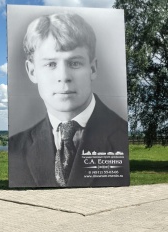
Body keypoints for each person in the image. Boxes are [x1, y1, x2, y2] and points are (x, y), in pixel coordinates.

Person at [9, 12, 130, 188]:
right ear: (32, 71)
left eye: (75, 63)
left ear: (93, 68)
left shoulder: (121, 135)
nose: (64, 77)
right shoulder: (15, 148)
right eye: (51, 64)